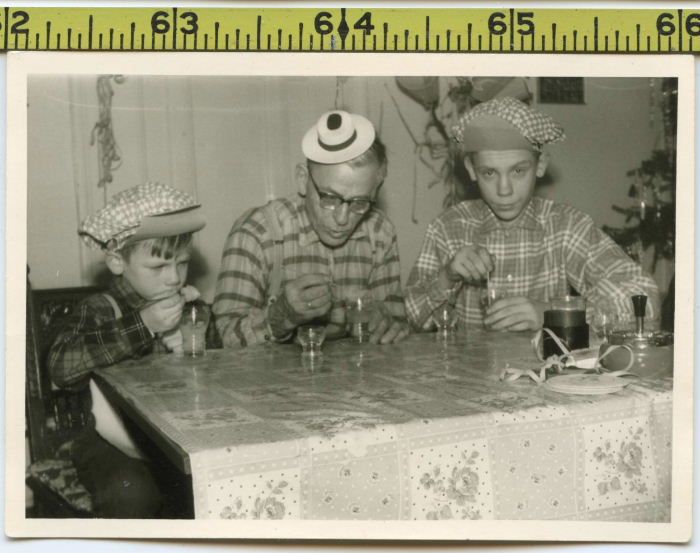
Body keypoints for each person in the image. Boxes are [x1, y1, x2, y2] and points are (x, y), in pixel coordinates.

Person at [405, 97, 659, 332]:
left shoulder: (565, 227)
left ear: (541, 165)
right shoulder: (449, 228)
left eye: (518, 171)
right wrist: (447, 276)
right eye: (489, 173)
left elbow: (644, 300)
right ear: (471, 170)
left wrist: (554, 314)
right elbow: (414, 318)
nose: (504, 190)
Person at [48, 182, 207, 518]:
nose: (174, 279)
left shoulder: (192, 308)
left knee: (207, 490)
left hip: (177, 441)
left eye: (182, 264)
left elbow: (220, 380)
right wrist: (143, 325)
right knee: (132, 494)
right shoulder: (101, 309)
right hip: (107, 442)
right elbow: (61, 368)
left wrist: (198, 344)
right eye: (158, 267)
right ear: (117, 261)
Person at [213, 110, 408, 347]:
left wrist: (385, 324)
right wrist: (280, 316)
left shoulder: (380, 233)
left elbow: (397, 330)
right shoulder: (257, 233)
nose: (343, 218)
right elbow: (226, 341)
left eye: (359, 202)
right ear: (302, 179)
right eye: (329, 198)